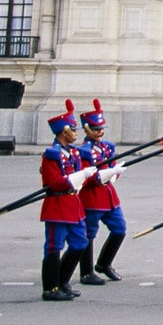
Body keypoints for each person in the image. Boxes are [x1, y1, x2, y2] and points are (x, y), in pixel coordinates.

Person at [39, 100, 93, 300]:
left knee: (80, 242)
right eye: (72, 129)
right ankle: (51, 288)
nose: (76, 133)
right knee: (54, 246)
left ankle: (63, 280)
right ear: (63, 131)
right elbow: (54, 183)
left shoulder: (74, 153)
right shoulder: (51, 155)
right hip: (58, 205)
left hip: (74, 205)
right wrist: (78, 177)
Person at [76, 99, 128, 286]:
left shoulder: (107, 147)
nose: (99, 132)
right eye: (96, 129)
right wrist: (101, 176)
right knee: (89, 234)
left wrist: (114, 173)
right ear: (87, 129)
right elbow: (84, 176)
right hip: (92, 197)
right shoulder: (82, 150)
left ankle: (104, 263)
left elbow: (112, 166)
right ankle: (86, 272)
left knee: (120, 229)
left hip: (109, 197)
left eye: (101, 128)